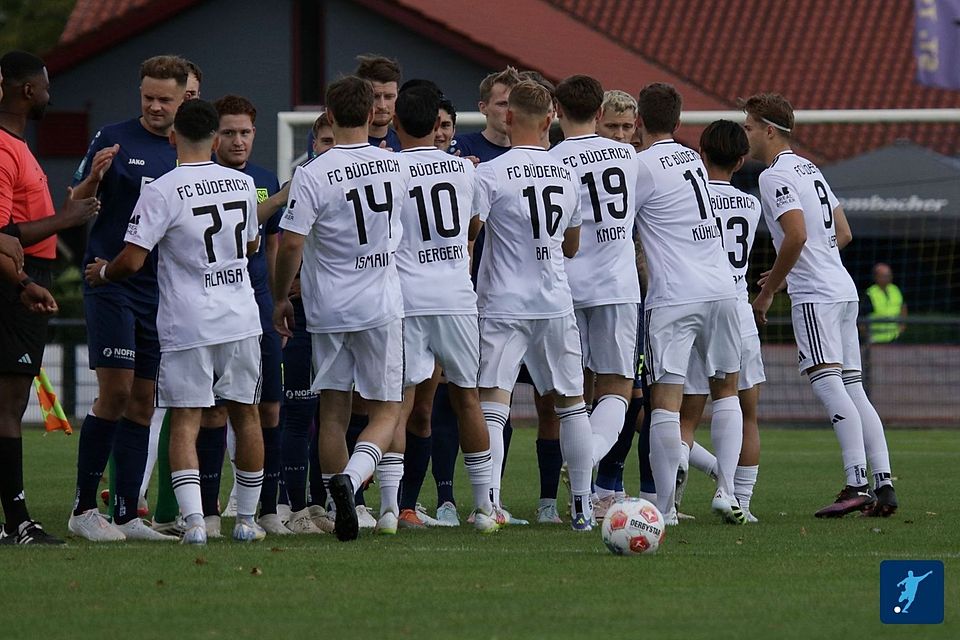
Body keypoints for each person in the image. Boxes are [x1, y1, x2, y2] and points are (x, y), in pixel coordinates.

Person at [85, 98, 266, 545]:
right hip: (240, 317)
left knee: (185, 417)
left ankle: (194, 524)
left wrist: (103, 271)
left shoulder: (162, 189)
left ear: (172, 138)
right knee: (246, 414)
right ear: (216, 138)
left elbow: (131, 260)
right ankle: (245, 519)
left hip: (189, 321)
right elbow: (250, 245)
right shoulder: (242, 185)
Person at [472, 80, 624, 531]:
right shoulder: (565, 174)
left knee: (494, 402)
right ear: (549, 120)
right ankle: (579, 507)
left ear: (510, 117)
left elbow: (472, 233)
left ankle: (489, 506)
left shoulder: (492, 174)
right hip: (555, 300)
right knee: (572, 404)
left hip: (503, 302)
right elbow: (572, 246)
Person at [744, 92, 897, 517]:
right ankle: (883, 485)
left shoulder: (772, 176)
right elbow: (842, 232)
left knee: (826, 383)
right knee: (853, 388)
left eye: (750, 126)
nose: (746, 133)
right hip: (842, 288)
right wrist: (797, 269)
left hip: (816, 294)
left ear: (768, 130)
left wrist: (772, 287)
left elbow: (795, 236)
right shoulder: (809, 167)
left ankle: (856, 483)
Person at [273, 75, 408, 542]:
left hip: (328, 307)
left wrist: (279, 294)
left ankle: (335, 499)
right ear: (373, 115)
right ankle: (352, 480)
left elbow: (291, 242)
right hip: (380, 305)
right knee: (387, 409)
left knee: (332, 410)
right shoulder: (393, 165)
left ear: (329, 116)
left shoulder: (313, 172)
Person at [69, 54, 189, 542]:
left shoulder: (190, 151)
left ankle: (125, 514)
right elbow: (74, 205)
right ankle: (82, 510)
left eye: (165, 99)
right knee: (114, 394)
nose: (155, 107)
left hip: (160, 293)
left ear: (185, 98)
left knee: (143, 403)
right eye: (148, 98)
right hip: (110, 282)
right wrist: (94, 180)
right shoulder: (113, 137)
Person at [377, 85, 498, 535]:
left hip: (405, 297)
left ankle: (389, 509)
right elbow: (473, 227)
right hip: (455, 297)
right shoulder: (467, 172)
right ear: (436, 125)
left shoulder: (387, 169)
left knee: (400, 402)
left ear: (395, 123)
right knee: (468, 397)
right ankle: (485, 508)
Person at [0, 51, 100, 544]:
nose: (48, 94)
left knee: (11, 404)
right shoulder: (3, 147)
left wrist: (78, 200)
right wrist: (65, 223)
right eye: (44, 87)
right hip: (14, 281)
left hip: (26, 274)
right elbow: (1, 231)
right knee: (8, 404)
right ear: (25, 91)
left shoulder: (20, 146)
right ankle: (18, 522)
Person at [634, 83, 744, 526]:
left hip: (675, 295)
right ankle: (727, 491)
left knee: (665, 401)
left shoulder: (640, 167)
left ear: (639, 121)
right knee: (727, 391)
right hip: (722, 288)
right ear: (679, 123)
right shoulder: (693, 160)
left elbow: (620, 226)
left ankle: (665, 508)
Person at [549, 75, 640, 522]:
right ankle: (586, 468)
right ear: (601, 115)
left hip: (567, 285)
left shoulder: (552, 160)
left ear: (556, 111)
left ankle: (578, 498)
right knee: (618, 386)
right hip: (618, 284)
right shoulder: (627, 154)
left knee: (574, 394)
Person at [676, 120, 766, 523]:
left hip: (693, 305)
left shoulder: (686, 198)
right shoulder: (751, 204)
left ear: (701, 155)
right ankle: (735, 497)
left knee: (684, 415)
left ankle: (671, 506)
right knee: (743, 408)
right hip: (737, 308)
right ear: (742, 159)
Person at [355, 54, 402, 151]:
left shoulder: (405, 144)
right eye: (375, 97)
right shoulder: (342, 144)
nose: (382, 105)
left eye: (389, 97)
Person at [864, 263, 906, 343]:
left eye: (889, 275)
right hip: (876, 340)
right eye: (884, 276)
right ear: (876, 277)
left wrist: (902, 327)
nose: (888, 278)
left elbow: (903, 306)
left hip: (895, 338)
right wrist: (867, 337)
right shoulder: (870, 294)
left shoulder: (895, 289)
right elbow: (862, 318)